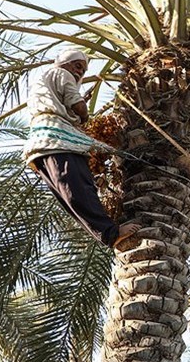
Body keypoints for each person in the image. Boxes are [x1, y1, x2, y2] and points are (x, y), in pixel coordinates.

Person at [23, 48, 140, 249]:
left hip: (40, 147)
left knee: (70, 198)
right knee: (79, 188)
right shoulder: (61, 73)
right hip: (58, 141)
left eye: (83, 71)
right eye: (77, 66)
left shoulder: (43, 81)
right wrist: (85, 117)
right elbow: (78, 105)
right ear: (64, 63)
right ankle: (110, 233)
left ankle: (108, 235)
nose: (79, 73)